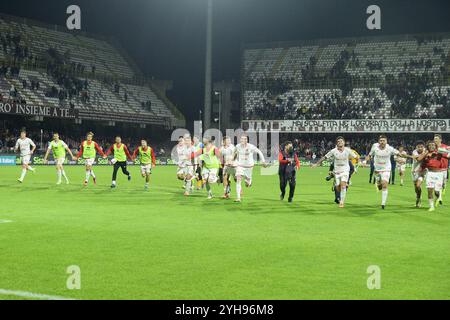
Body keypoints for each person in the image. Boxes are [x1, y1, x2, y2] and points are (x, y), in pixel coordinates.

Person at [313, 136, 357, 208]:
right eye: (338, 141)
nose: (340, 142)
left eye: (341, 141)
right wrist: (317, 164)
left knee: (343, 185)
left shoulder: (348, 150)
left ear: (344, 142)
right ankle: (337, 186)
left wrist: (362, 162)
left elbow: (356, 157)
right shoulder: (333, 151)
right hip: (337, 172)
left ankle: (341, 202)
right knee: (338, 187)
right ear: (336, 143)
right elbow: (325, 157)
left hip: (345, 170)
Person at [367, 135, 407, 209]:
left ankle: (383, 204)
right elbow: (369, 155)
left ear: (386, 141)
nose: (382, 142)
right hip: (377, 169)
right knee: (379, 186)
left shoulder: (390, 148)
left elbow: (398, 153)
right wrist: (366, 160)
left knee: (384, 184)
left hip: (386, 169)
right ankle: (378, 183)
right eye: (381, 140)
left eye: (384, 140)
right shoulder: (375, 147)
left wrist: (402, 155)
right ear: (379, 141)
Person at [233, 135, 267, 202]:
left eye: (244, 139)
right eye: (241, 139)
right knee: (238, 179)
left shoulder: (251, 146)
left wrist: (263, 161)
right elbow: (235, 153)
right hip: (240, 166)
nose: (242, 140)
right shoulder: (237, 146)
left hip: (249, 167)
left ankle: (249, 180)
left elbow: (259, 152)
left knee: (247, 184)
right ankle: (238, 198)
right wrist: (233, 160)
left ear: (246, 140)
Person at [418, 141, 447, 212]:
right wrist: (425, 154)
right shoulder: (426, 154)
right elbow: (419, 160)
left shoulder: (439, 152)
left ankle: (437, 197)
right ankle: (431, 206)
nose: (431, 146)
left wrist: (444, 152)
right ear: (427, 146)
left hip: (439, 174)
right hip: (430, 173)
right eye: (430, 145)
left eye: (433, 145)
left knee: (436, 191)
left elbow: (448, 155)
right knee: (429, 190)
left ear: (435, 146)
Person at [433, 134, 449, 204]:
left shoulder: (446, 147)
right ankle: (440, 198)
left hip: (444, 169)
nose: (435, 140)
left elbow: (449, 156)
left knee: (443, 183)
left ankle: (444, 187)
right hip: (435, 169)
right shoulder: (432, 147)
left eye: (436, 139)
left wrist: (442, 153)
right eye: (434, 139)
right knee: (437, 183)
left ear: (440, 140)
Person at [411, 141, 426, 208]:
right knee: (416, 187)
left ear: (424, 147)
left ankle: (419, 200)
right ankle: (418, 197)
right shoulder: (414, 152)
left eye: (421, 147)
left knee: (418, 185)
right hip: (414, 171)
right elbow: (419, 159)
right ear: (416, 147)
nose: (420, 148)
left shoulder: (426, 150)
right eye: (418, 147)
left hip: (423, 171)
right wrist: (425, 154)